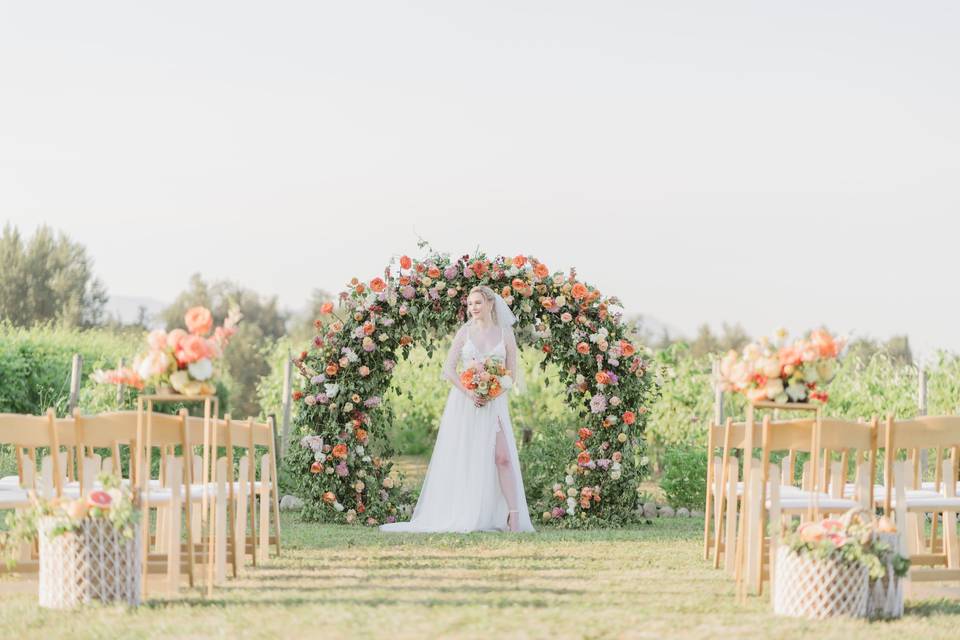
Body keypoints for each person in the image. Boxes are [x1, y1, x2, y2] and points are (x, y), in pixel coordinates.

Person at [379, 285, 535, 533]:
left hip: (494, 406)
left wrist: (492, 392)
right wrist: (471, 391)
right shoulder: (465, 332)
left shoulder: (505, 334)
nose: (473, 308)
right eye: (470, 304)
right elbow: (449, 370)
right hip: (466, 404)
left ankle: (513, 517)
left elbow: (511, 375)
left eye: (478, 303)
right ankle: (466, 512)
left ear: (490, 304)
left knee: (503, 459)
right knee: (466, 459)